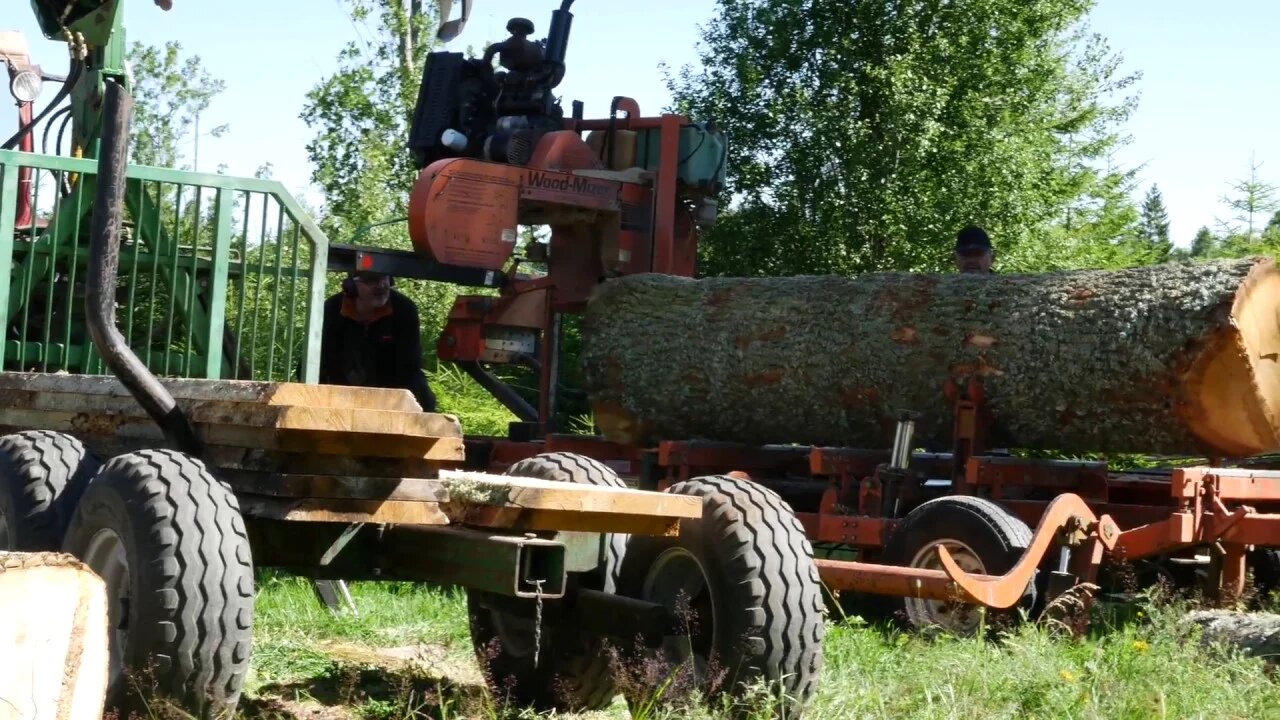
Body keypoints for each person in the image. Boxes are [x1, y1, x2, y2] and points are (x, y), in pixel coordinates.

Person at [319, 270, 438, 412]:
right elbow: (322, 362)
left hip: (393, 391)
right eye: (371, 280)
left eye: (384, 278)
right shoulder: (332, 309)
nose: (381, 285)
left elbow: (409, 366)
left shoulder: (403, 309)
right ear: (350, 286)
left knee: (420, 389)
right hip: (342, 392)